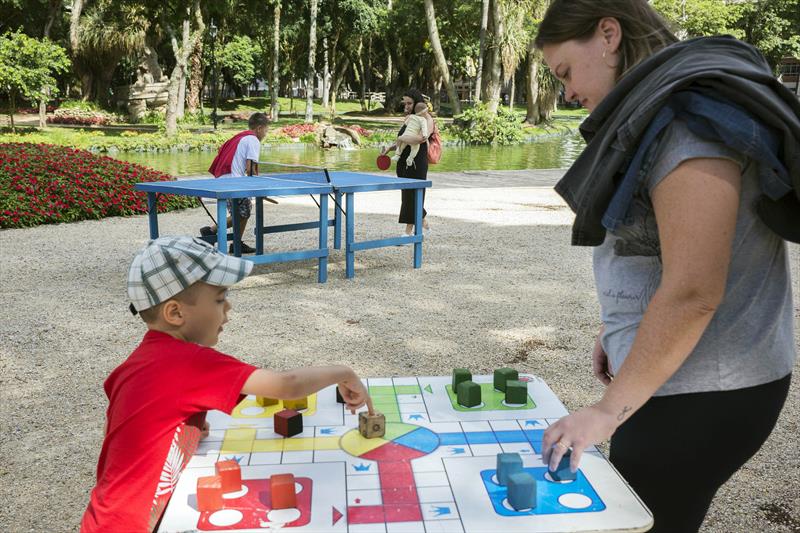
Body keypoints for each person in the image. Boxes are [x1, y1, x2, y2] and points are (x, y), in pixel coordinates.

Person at [533, 1, 798, 532]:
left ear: (608, 34)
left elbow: (695, 288)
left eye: (565, 71)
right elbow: (660, 253)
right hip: (684, 381)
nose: (566, 92)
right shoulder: (663, 109)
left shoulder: (686, 121)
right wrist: (622, 325)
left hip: (703, 391)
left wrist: (607, 410)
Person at [80, 236, 372, 532]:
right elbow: (288, 385)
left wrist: (185, 431)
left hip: (103, 517)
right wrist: (342, 372)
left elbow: (118, 432)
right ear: (175, 313)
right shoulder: (189, 362)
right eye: (219, 299)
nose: (228, 307)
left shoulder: (136, 363)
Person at [201, 112, 271, 255]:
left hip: (224, 180)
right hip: (234, 182)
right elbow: (250, 168)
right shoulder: (252, 140)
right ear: (259, 128)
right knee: (242, 213)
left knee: (242, 211)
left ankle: (236, 243)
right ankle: (210, 231)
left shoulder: (240, 137)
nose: (265, 134)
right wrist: (258, 188)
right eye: (266, 130)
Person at [380, 89, 434, 236]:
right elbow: (403, 140)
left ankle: (408, 232)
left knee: (413, 195)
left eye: (410, 103)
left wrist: (402, 139)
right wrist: (390, 149)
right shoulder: (410, 119)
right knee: (407, 195)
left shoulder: (428, 120)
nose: (406, 106)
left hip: (417, 162)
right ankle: (423, 222)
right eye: (405, 103)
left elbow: (420, 139)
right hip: (403, 162)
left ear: (418, 103)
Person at [392, 102, 430, 169]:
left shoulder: (411, 117)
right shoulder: (423, 120)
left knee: (401, 147)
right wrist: (425, 135)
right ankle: (410, 158)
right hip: (412, 137)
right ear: (423, 112)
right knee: (415, 149)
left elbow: (406, 124)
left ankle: (397, 155)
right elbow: (424, 128)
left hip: (405, 135)